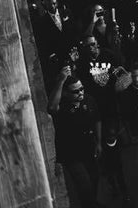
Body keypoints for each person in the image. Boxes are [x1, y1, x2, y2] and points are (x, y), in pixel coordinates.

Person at [47, 70, 101, 207]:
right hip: (71, 154)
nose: (80, 93)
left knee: (95, 178)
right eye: (76, 92)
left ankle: (92, 203)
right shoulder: (63, 106)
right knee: (84, 185)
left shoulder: (88, 100)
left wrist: (99, 142)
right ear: (65, 93)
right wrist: (61, 81)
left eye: (81, 89)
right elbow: (52, 107)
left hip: (88, 147)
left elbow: (97, 120)